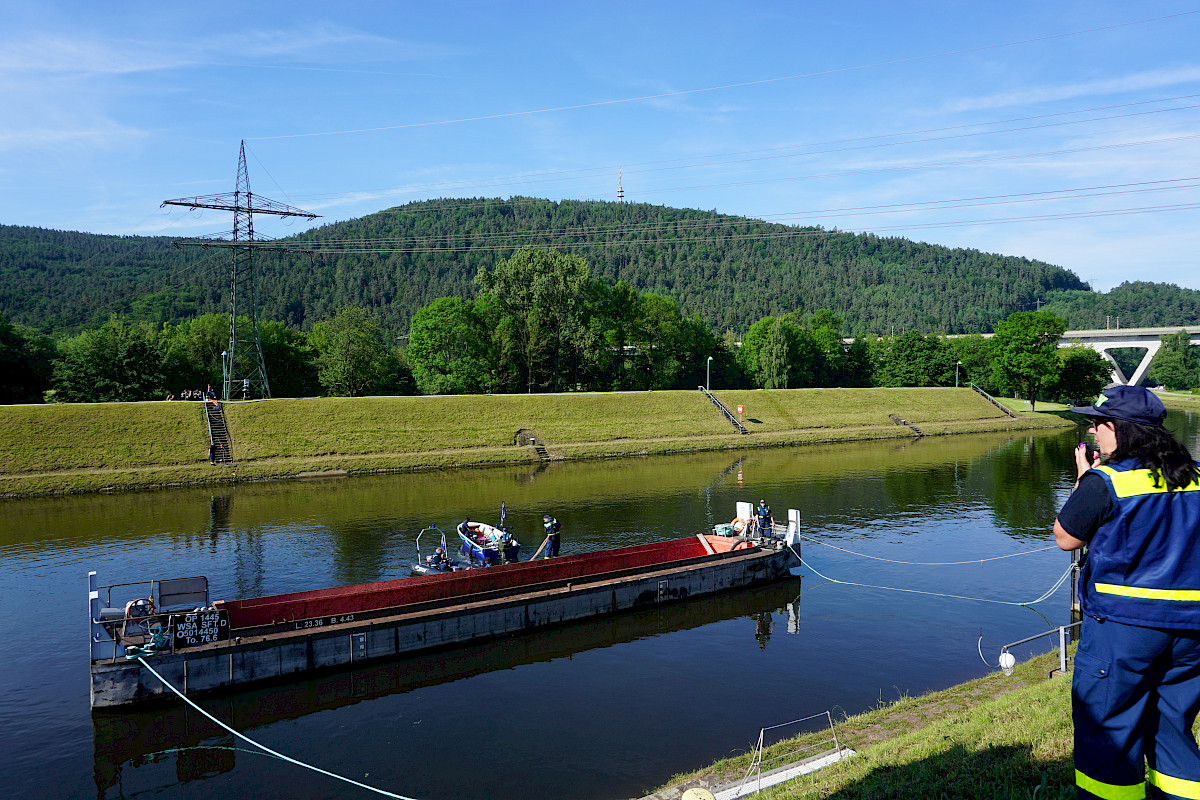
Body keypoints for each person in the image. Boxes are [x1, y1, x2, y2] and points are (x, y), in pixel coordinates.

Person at [1054, 385, 1200, 800]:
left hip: (1124, 630)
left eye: (1097, 425)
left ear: (1118, 430)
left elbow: (1066, 538)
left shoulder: (1107, 481)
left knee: (1109, 734)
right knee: (1173, 726)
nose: (1093, 434)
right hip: (1192, 630)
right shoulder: (1197, 474)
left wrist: (1084, 482)